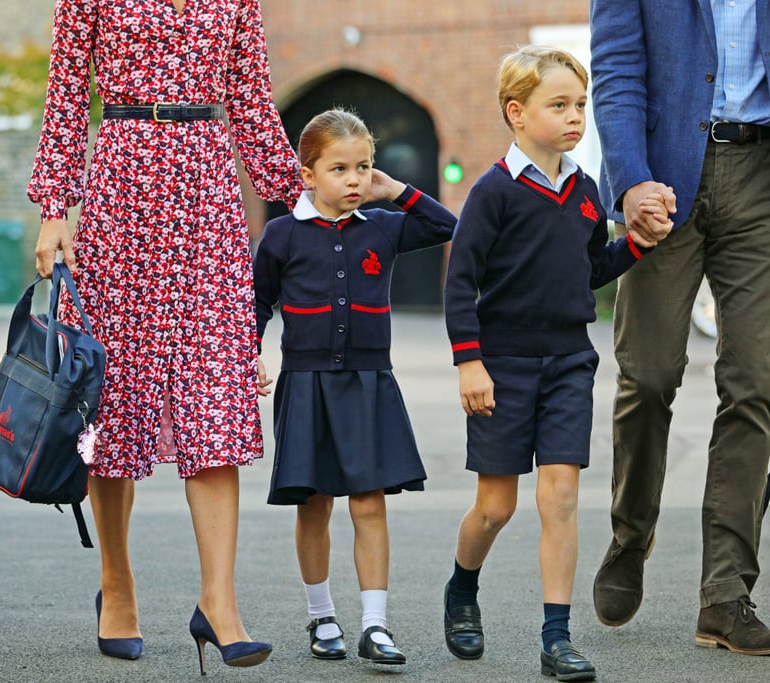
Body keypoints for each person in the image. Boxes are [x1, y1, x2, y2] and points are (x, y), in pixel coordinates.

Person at [26, 0, 303, 674]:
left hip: (208, 193)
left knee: (216, 392)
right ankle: (117, 586)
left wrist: (307, 199)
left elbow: (251, 99)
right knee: (113, 397)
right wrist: (53, 208)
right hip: (121, 188)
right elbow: (65, 91)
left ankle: (220, 601)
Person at [589, 0, 770, 656]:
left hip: (767, 178)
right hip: (662, 175)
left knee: (753, 385)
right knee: (648, 376)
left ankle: (727, 594)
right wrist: (629, 182)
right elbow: (617, 66)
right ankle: (630, 533)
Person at [441, 46, 671, 681]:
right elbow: (460, 285)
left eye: (581, 105)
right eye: (559, 105)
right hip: (503, 366)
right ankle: (462, 590)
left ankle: (556, 637)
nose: (576, 117)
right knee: (495, 507)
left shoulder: (587, 191)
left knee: (561, 496)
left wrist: (637, 246)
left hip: (570, 361)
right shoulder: (492, 192)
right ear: (517, 112)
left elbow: (591, 269)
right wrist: (469, 363)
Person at [253, 108, 456, 666]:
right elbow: (258, 301)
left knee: (369, 503)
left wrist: (396, 190)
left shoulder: (385, 227)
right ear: (307, 174)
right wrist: (249, 354)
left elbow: (448, 229)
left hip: (370, 383)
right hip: (306, 382)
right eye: (339, 168)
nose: (354, 179)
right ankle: (322, 617)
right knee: (314, 503)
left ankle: (375, 625)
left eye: (363, 167)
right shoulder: (282, 233)